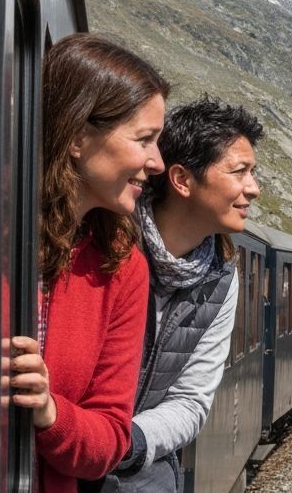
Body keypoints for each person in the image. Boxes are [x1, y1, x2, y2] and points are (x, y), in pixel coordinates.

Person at [0, 34, 162, 493]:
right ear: (77, 137)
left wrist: (48, 412)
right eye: (145, 139)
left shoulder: (123, 270)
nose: (156, 161)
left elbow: (111, 440)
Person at [106, 98, 263, 492]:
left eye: (253, 173)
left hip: (139, 469)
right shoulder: (109, 243)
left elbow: (191, 400)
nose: (253, 189)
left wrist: (128, 443)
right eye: (239, 171)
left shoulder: (222, 278)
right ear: (182, 180)